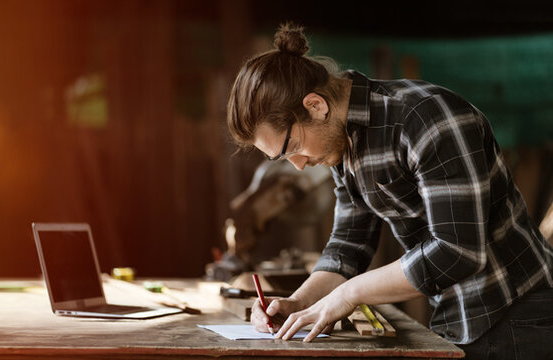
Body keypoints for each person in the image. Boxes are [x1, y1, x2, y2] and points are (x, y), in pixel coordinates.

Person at [226, 23, 553, 358]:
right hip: (458, 318)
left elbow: (458, 251)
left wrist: (349, 294)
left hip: (519, 315)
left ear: (316, 105)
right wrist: (300, 300)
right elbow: (349, 244)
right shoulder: (341, 141)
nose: (297, 165)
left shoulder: (426, 118)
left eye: (292, 147)